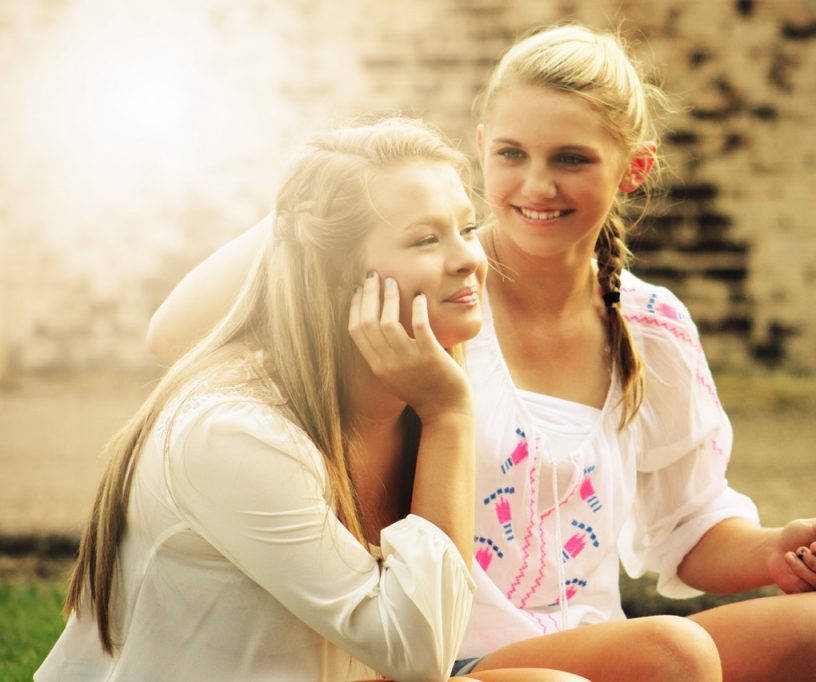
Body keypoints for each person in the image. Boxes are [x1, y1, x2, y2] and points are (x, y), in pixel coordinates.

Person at [145, 26, 816, 682]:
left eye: (570, 158)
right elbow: (177, 338)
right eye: (511, 154)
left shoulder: (652, 324)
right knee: (672, 656)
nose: (536, 185)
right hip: (450, 648)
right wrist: (324, 195)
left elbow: (687, 529)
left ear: (633, 169)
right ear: (479, 151)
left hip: (601, 641)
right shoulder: (432, 292)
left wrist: (773, 551)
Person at [37, 118, 584, 682]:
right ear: (336, 275)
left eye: (467, 229)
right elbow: (419, 655)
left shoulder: (408, 400)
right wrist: (450, 415)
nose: (469, 257)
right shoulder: (235, 431)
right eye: (425, 238)